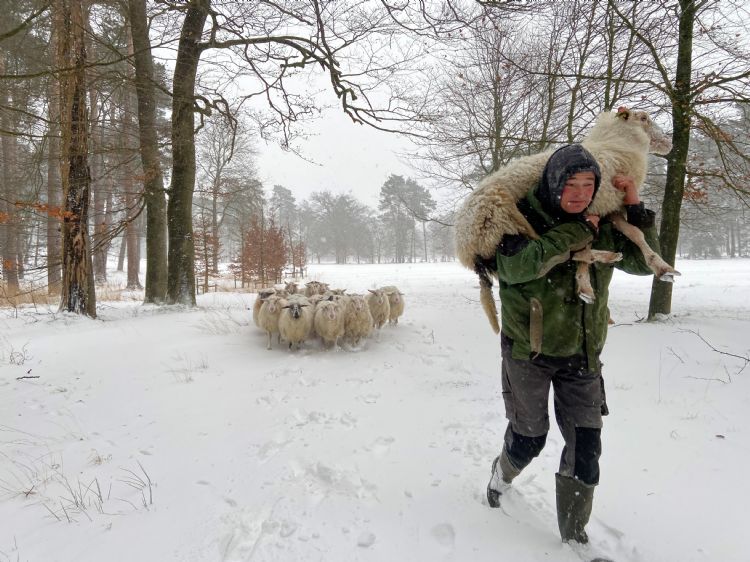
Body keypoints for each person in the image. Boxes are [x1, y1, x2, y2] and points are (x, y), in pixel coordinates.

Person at [484, 144, 660, 544]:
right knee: (529, 438)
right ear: (552, 182)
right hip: (528, 354)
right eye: (571, 183)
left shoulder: (604, 218)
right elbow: (516, 266)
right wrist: (577, 232)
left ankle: (574, 535)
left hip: (582, 355)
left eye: (589, 183)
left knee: (586, 448)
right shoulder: (518, 218)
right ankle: (500, 475)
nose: (580, 193)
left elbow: (639, 263)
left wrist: (634, 207)